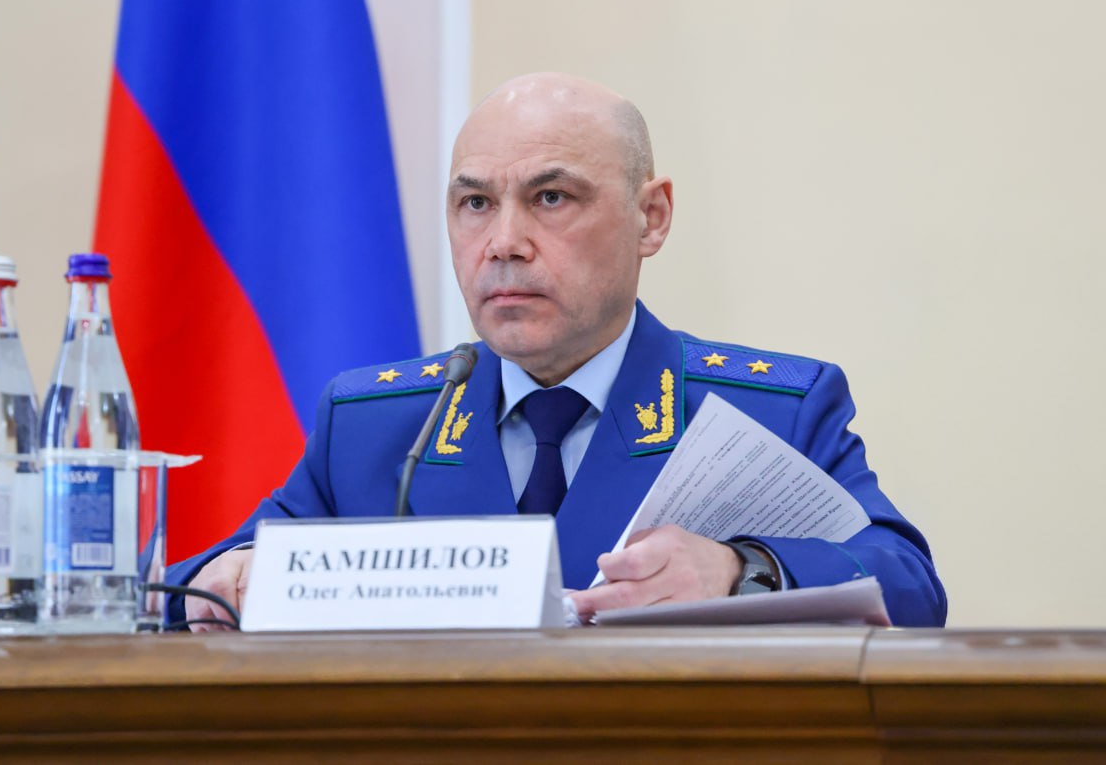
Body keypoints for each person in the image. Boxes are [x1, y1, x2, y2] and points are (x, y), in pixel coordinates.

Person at [170, 72, 946, 629]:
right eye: (476, 202)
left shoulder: (769, 410)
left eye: (551, 197)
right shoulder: (375, 427)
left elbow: (911, 587)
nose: (504, 242)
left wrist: (742, 571)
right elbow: (189, 592)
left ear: (651, 217)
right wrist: (228, 577)